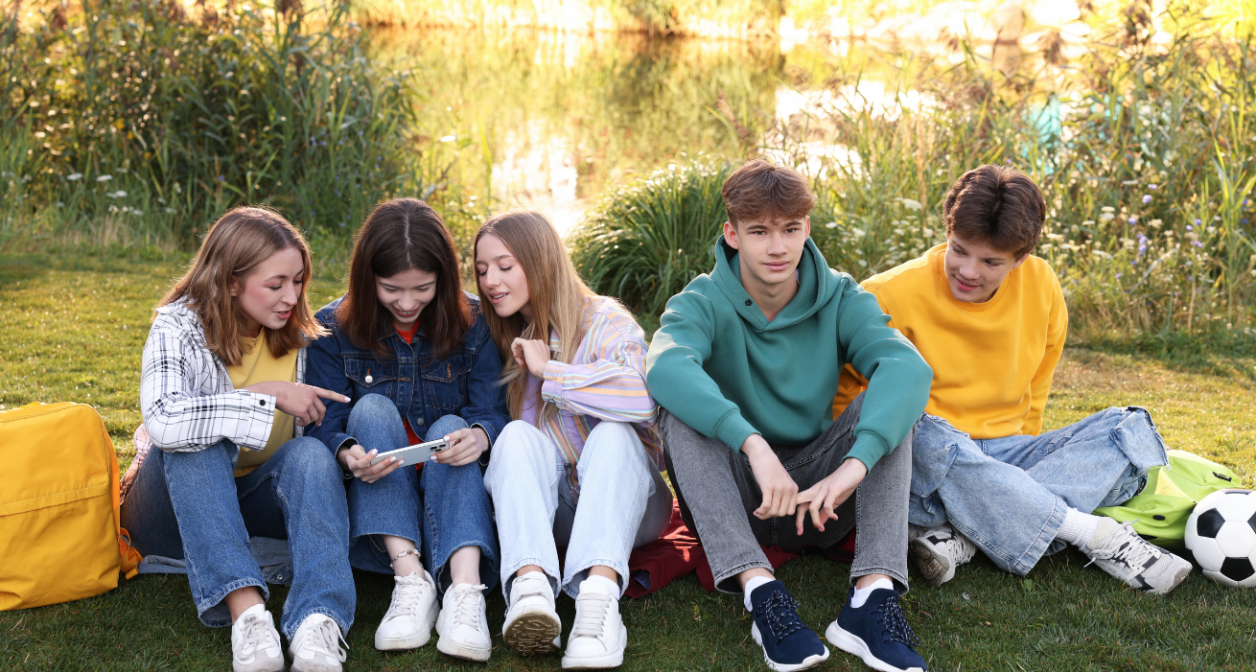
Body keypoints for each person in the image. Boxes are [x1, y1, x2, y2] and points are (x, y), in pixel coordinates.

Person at [834, 164, 1192, 595]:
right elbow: (847, 409)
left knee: (1128, 430)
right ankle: (1095, 535)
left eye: (990, 262)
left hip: (1008, 453)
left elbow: (1038, 383)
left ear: (1020, 258)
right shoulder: (887, 293)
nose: (968, 270)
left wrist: (999, 483)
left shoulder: (1041, 283)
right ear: (947, 232)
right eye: (959, 250)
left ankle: (964, 537)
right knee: (911, 421)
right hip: (924, 462)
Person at [647, 159, 933, 672]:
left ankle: (872, 596)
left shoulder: (841, 295)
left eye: (790, 230)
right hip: (737, 499)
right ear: (732, 234)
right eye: (759, 232)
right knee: (682, 411)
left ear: (807, 229)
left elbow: (905, 366)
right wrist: (752, 444)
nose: (777, 247)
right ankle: (761, 591)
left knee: (890, 406)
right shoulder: (701, 300)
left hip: (820, 500)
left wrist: (854, 466)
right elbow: (666, 366)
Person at [120, 207, 354, 672]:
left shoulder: (305, 338)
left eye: (299, 281)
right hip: (170, 508)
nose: (292, 296)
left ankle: (318, 622)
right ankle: (248, 616)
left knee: (308, 453)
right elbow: (165, 420)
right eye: (276, 284)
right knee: (197, 440)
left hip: (256, 502)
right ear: (231, 281)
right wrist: (266, 394)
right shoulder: (177, 326)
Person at [305, 198, 509, 661]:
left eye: (423, 288)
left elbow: (493, 410)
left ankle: (464, 591)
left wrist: (479, 437)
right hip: (382, 513)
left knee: (455, 424)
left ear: (444, 279)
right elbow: (325, 423)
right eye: (391, 289)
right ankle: (410, 579)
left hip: (453, 499)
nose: (407, 302)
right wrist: (346, 452)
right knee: (372, 408)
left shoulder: (473, 323)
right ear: (366, 278)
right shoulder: (332, 328)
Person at [474, 211, 673, 670]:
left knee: (614, 433)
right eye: (482, 270)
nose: (490, 281)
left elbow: (644, 398)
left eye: (505, 266)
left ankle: (598, 603)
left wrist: (552, 373)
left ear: (539, 260)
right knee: (517, 436)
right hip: (559, 510)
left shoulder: (604, 320)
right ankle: (530, 590)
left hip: (630, 502)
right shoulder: (504, 338)